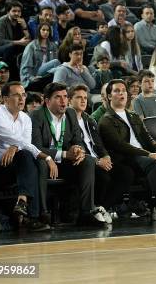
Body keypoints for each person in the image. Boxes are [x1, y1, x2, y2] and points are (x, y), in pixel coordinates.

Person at [98, 80, 156, 224]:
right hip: (125, 158)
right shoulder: (106, 120)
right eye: (116, 91)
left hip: (143, 157)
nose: (121, 93)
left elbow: (147, 137)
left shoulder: (133, 115)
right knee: (152, 162)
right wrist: (148, 154)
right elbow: (121, 146)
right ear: (109, 96)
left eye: (124, 90)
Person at [0, 81, 55, 231]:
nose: (22, 98)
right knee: (27, 156)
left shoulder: (25, 118)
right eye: (17, 95)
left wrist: (16, 146)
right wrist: (47, 157)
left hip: (13, 164)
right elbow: (23, 143)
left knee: (34, 162)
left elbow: (23, 143)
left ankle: (26, 208)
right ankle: (31, 214)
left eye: (23, 95)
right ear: (5, 99)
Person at [30, 83, 108, 226]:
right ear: (47, 101)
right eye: (58, 97)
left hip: (65, 162)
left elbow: (77, 139)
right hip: (46, 161)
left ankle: (86, 212)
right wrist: (65, 154)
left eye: (65, 97)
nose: (63, 101)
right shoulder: (37, 115)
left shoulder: (70, 113)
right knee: (40, 163)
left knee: (88, 161)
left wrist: (78, 150)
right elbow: (36, 147)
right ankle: (42, 214)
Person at [69, 84, 134, 218]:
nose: (83, 101)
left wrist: (105, 156)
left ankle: (102, 207)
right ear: (69, 100)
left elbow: (98, 143)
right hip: (83, 161)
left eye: (85, 98)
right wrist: (97, 161)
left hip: (99, 159)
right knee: (103, 176)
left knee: (126, 173)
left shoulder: (89, 119)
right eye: (78, 97)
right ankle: (93, 209)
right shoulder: (67, 120)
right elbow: (73, 146)